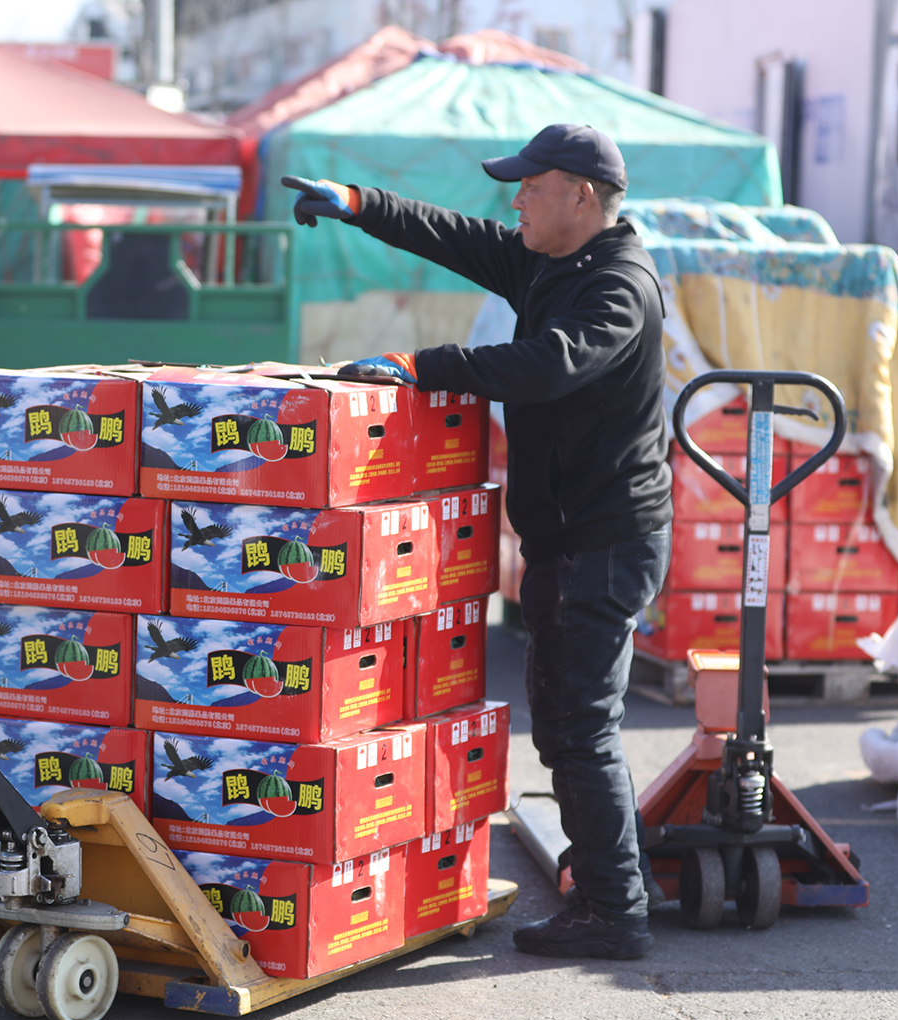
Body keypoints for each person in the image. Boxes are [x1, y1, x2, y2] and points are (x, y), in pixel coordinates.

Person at [284, 123, 671, 960]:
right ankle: (614, 882)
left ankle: (616, 909)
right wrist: (359, 206)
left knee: (581, 726)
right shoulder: (547, 259)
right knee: (565, 725)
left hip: (603, 542)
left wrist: (425, 364)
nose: (516, 199)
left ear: (581, 195)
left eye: (531, 186)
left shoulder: (618, 285)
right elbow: (453, 234)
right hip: (567, 538)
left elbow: (549, 363)